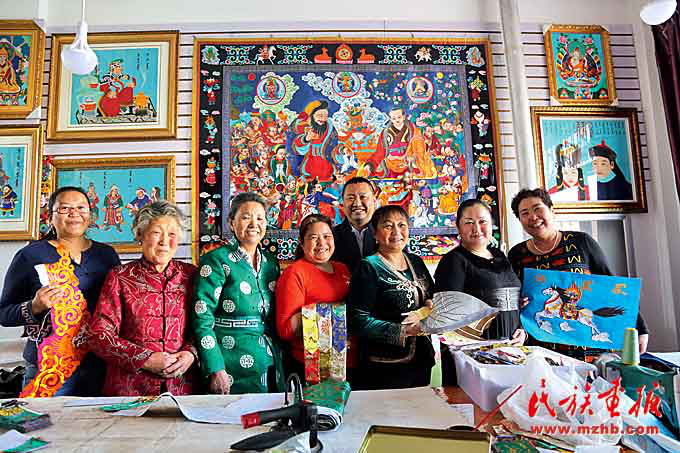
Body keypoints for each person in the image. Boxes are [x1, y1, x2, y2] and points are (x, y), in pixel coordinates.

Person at [0, 186, 120, 396]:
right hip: (49, 366)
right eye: (65, 208)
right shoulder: (30, 255)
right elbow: (4, 314)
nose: (74, 213)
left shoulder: (106, 255)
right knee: (43, 418)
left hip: (99, 364)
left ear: (90, 215)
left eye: (81, 208)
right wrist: (34, 307)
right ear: (50, 217)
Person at [507, 188, 649, 356]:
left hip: (587, 347)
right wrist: (518, 303)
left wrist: (640, 328)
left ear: (552, 210)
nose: (533, 216)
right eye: (525, 213)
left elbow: (611, 285)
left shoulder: (582, 242)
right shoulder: (516, 254)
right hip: (541, 347)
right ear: (520, 220)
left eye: (537, 209)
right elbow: (513, 297)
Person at [88, 201, 198, 396]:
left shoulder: (191, 276)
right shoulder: (120, 277)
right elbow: (99, 336)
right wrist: (145, 359)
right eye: (156, 233)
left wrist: (191, 353)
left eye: (172, 234)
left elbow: (205, 325)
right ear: (140, 235)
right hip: (130, 389)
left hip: (183, 387)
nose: (164, 241)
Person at [192, 192, 283, 394]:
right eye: (245, 217)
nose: (254, 224)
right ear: (232, 223)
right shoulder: (216, 260)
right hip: (229, 363)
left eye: (260, 218)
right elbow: (202, 317)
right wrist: (215, 368)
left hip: (269, 362)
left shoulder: (271, 263)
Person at [434, 199, 525, 386]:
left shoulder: (500, 256)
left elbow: (513, 301)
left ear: (491, 224)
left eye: (482, 221)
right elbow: (448, 319)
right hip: (474, 360)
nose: (476, 228)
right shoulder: (453, 261)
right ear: (458, 227)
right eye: (469, 222)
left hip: (509, 354)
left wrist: (522, 329)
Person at [348, 205, 435, 389]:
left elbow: (432, 295)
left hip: (421, 360)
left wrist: (430, 303)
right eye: (388, 226)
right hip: (384, 366)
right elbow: (358, 320)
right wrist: (404, 331)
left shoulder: (416, 261)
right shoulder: (369, 267)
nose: (396, 232)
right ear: (375, 233)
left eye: (402, 225)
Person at [275, 214, 353, 382]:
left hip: (348, 362)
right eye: (313, 238)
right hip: (312, 367)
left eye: (326, 236)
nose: (321, 243)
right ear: (301, 243)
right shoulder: (295, 273)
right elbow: (285, 330)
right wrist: (326, 313)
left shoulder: (343, 269)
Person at [368, 107, 435, 178]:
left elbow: (419, 146)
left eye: (399, 117)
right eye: (394, 118)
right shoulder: (385, 132)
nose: (397, 120)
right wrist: (370, 165)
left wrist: (413, 156)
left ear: (404, 117)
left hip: (408, 162)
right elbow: (380, 151)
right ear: (390, 119)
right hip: (390, 162)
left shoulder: (413, 129)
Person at [331, 177, 377, 273]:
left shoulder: (387, 234)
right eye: (350, 198)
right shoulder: (330, 236)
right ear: (343, 202)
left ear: (374, 201)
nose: (357, 203)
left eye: (363, 197)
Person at [290, 100, 338, 182]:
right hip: (310, 161)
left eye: (326, 116)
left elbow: (335, 142)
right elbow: (298, 147)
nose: (323, 119)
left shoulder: (330, 128)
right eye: (320, 115)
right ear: (312, 116)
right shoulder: (304, 127)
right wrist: (306, 139)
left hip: (325, 161)